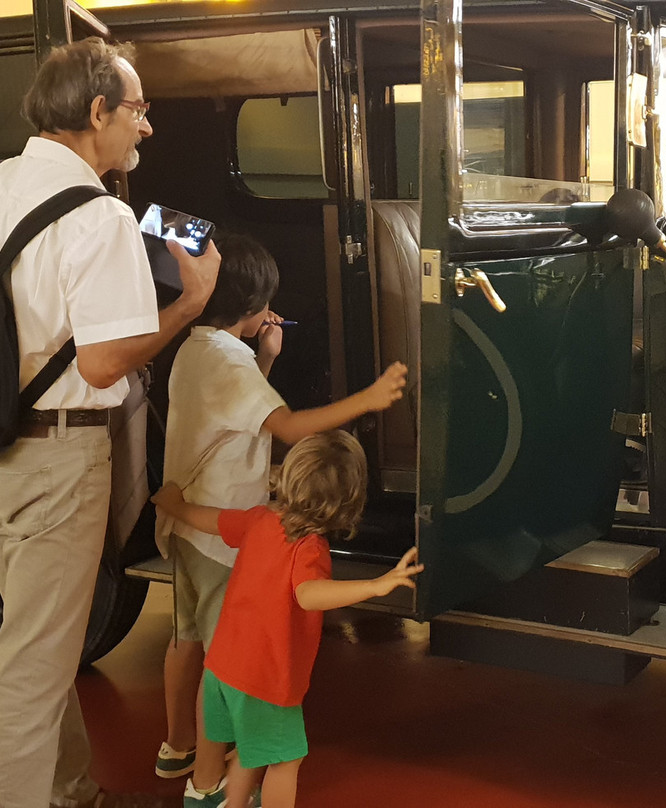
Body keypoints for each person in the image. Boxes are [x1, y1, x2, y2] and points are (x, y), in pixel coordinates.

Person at [0, 37, 221, 808]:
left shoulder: (1, 184)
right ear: (96, 111)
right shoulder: (100, 218)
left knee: (34, 646)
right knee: (29, 673)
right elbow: (102, 365)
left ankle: (67, 789)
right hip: (55, 460)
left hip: (2, 440)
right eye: (137, 109)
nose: (146, 127)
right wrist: (190, 303)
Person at [153, 231, 408, 807]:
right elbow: (289, 428)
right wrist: (366, 399)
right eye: (263, 304)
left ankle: (177, 750)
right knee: (225, 659)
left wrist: (264, 356)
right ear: (249, 310)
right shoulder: (229, 362)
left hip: (196, 526)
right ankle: (209, 782)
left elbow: (240, 412)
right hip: (220, 543)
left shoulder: (199, 348)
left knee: (188, 640)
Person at [152, 430, 423, 808]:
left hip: (221, 668)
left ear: (288, 475)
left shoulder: (260, 520)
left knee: (247, 751)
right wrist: (376, 585)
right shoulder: (310, 548)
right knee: (283, 761)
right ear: (348, 501)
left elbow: (213, 520)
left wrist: (175, 507)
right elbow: (308, 594)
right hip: (265, 679)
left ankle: (207, 798)